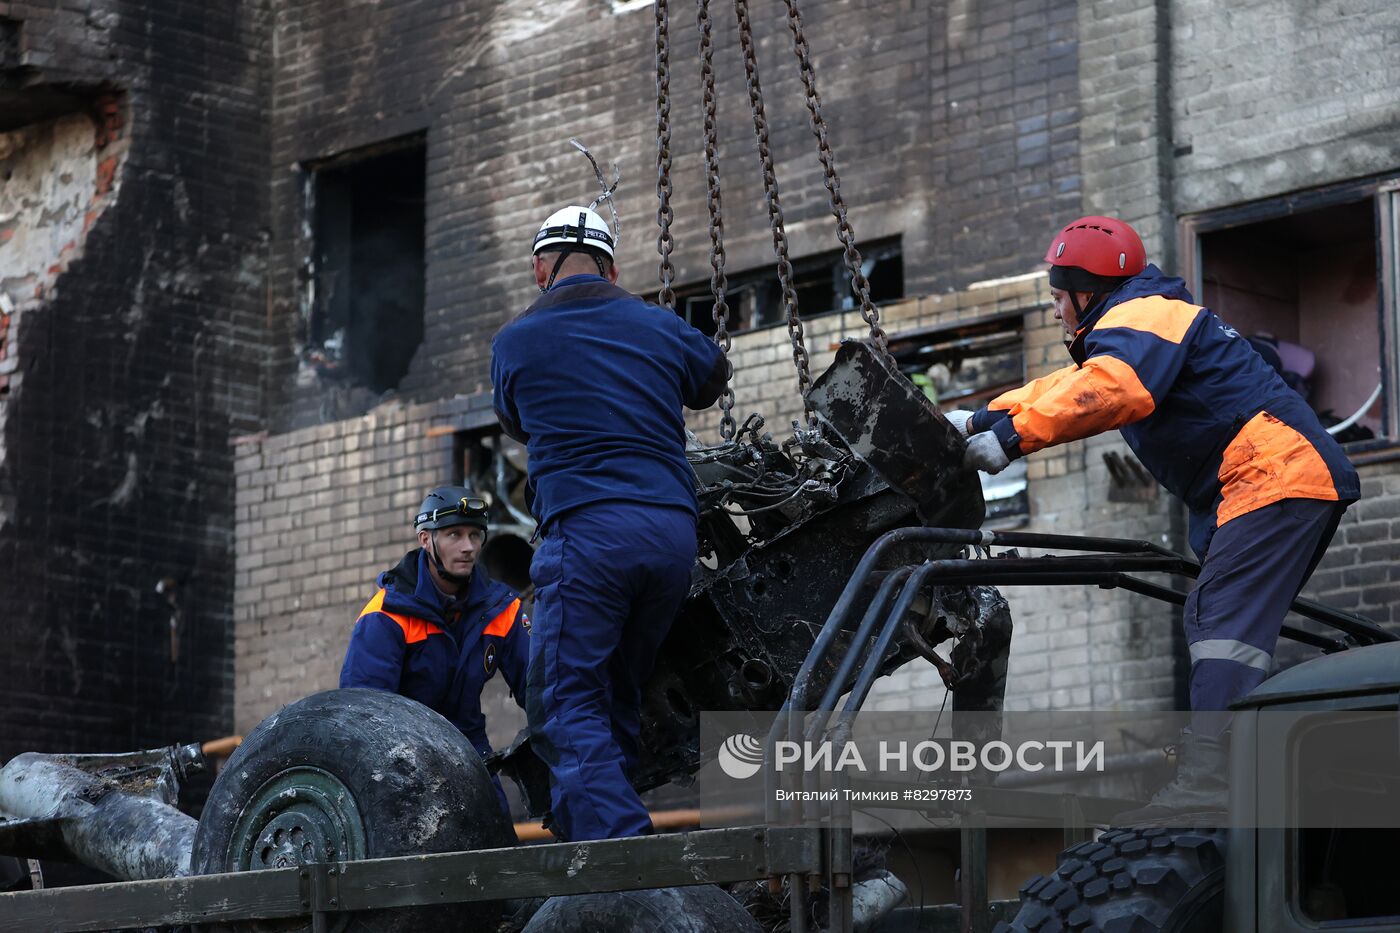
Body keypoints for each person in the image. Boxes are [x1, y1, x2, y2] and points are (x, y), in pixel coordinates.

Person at [945, 215, 1359, 817]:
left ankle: (1212, 781)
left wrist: (1011, 440)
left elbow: (1114, 389)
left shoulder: (1143, 318)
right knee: (1230, 621)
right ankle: (1242, 768)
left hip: (1276, 476)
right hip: (1277, 477)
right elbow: (1067, 386)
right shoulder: (1138, 320)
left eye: (1061, 296)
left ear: (1089, 290)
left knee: (1221, 620)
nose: (1057, 309)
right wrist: (978, 420)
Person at [490, 205, 725, 841]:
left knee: (565, 703)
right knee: (617, 690)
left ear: (541, 269)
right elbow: (711, 378)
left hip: (590, 537)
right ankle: (580, 835)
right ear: (614, 267)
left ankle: (621, 850)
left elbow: (515, 419)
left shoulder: (515, 341)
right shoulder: (657, 324)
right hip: (672, 538)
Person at [340, 486, 529, 816]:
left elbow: (541, 685)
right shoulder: (386, 615)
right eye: (454, 534)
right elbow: (362, 718)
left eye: (475, 534)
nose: (468, 547)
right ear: (425, 540)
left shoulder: (502, 609)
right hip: (399, 758)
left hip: (469, 747)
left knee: (497, 838)